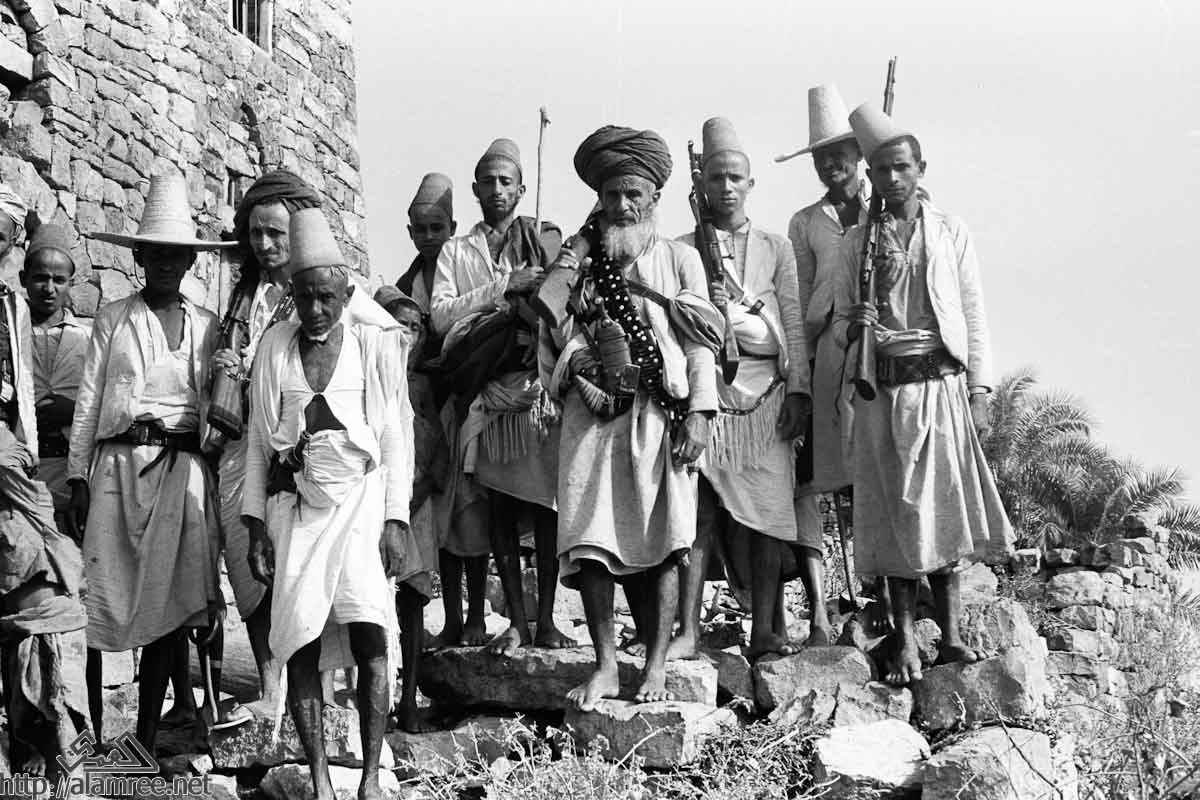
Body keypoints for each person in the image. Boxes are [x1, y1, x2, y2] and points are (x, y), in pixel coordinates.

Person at [242, 207, 420, 799]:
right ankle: (320, 780)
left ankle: (369, 779)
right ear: (291, 295)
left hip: (362, 505)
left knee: (371, 634)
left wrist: (395, 518)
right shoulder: (275, 347)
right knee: (301, 642)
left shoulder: (371, 343)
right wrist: (255, 526)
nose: (315, 309)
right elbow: (259, 443)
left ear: (346, 294)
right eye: (304, 297)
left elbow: (393, 435)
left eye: (326, 297)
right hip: (297, 511)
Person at [832, 104, 1012, 685]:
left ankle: (952, 638)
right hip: (882, 390)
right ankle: (905, 639)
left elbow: (974, 315)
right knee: (895, 514)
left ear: (920, 169)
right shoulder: (855, 243)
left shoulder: (950, 231)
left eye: (902, 167)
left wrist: (979, 392)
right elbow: (839, 325)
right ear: (870, 175)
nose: (892, 178)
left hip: (940, 386)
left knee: (944, 511)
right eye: (882, 170)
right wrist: (857, 323)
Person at [544, 125, 721, 710]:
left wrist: (699, 413)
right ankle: (604, 666)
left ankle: (655, 664)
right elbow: (552, 335)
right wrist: (578, 358)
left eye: (633, 194)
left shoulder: (680, 259)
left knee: (666, 537)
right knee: (589, 537)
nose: (621, 205)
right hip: (593, 414)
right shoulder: (579, 265)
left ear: (654, 198)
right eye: (612, 194)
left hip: (659, 413)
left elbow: (701, 343)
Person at [68, 173, 233, 755]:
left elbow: (216, 404)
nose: (165, 263)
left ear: (190, 261)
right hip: (118, 467)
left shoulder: (208, 326)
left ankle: (144, 736)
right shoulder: (114, 318)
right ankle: (90, 732)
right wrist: (77, 475)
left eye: (175, 254)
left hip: (181, 471)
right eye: (155, 253)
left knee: (169, 604)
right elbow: (90, 398)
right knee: (99, 600)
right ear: (139, 257)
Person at [675, 118, 824, 660]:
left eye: (735, 177)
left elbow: (793, 322)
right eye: (716, 178)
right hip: (708, 393)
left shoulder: (776, 247)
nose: (726, 187)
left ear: (750, 183)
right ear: (701, 185)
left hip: (767, 397)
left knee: (768, 516)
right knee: (699, 513)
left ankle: (765, 629)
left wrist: (800, 392)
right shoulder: (682, 248)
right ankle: (687, 631)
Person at [430, 138, 574, 656]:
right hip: (486, 395)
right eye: (487, 181)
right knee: (498, 509)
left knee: (546, 508)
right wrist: (503, 287)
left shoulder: (543, 240)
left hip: (535, 393)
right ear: (475, 189)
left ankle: (547, 619)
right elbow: (441, 317)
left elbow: (566, 303)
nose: (496, 190)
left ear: (521, 188)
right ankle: (515, 620)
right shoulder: (456, 251)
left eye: (505, 181)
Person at [0, 196, 89, 782]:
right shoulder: (12, 327)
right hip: (16, 474)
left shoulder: (84, 338)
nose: (48, 288)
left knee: (64, 594)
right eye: (39, 278)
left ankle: (70, 732)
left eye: (58, 279)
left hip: (55, 472)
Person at [396, 175, 487, 650]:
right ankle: (451, 618)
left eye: (438, 228)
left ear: (452, 228)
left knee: (471, 510)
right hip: (426, 414)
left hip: (467, 399)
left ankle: (476, 616)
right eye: (421, 229)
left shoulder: (467, 269)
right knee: (442, 523)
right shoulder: (404, 288)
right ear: (409, 231)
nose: (430, 237)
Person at [374, 285, 442, 732]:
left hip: (416, 504)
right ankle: (373, 698)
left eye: (416, 328)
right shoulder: (369, 377)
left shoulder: (422, 386)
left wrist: (417, 492)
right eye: (400, 326)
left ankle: (410, 697)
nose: (408, 336)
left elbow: (438, 446)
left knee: (412, 599)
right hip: (374, 503)